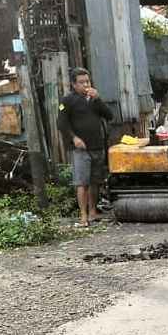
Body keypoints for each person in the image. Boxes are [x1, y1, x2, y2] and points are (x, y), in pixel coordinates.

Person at [57, 68, 114, 228]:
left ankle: (93, 212)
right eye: (81, 82)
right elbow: (61, 123)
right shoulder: (67, 101)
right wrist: (74, 138)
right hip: (80, 148)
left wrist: (98, 99)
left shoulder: (93, 99)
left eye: (87, 81)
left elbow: (109, 115)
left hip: (97, 145)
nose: (85, 85)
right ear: (74, 84)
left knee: (95, 181)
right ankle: (83, 216)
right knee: (82, 182)